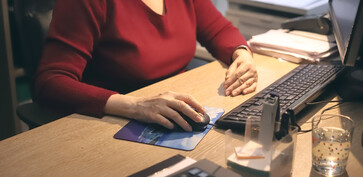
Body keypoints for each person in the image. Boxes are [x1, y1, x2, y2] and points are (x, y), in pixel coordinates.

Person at [34, 0, 258, 132]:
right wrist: (136, 105)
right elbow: (51, 82)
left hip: (173, 116)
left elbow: (219, 30)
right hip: (113, 123)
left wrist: (242, 53)